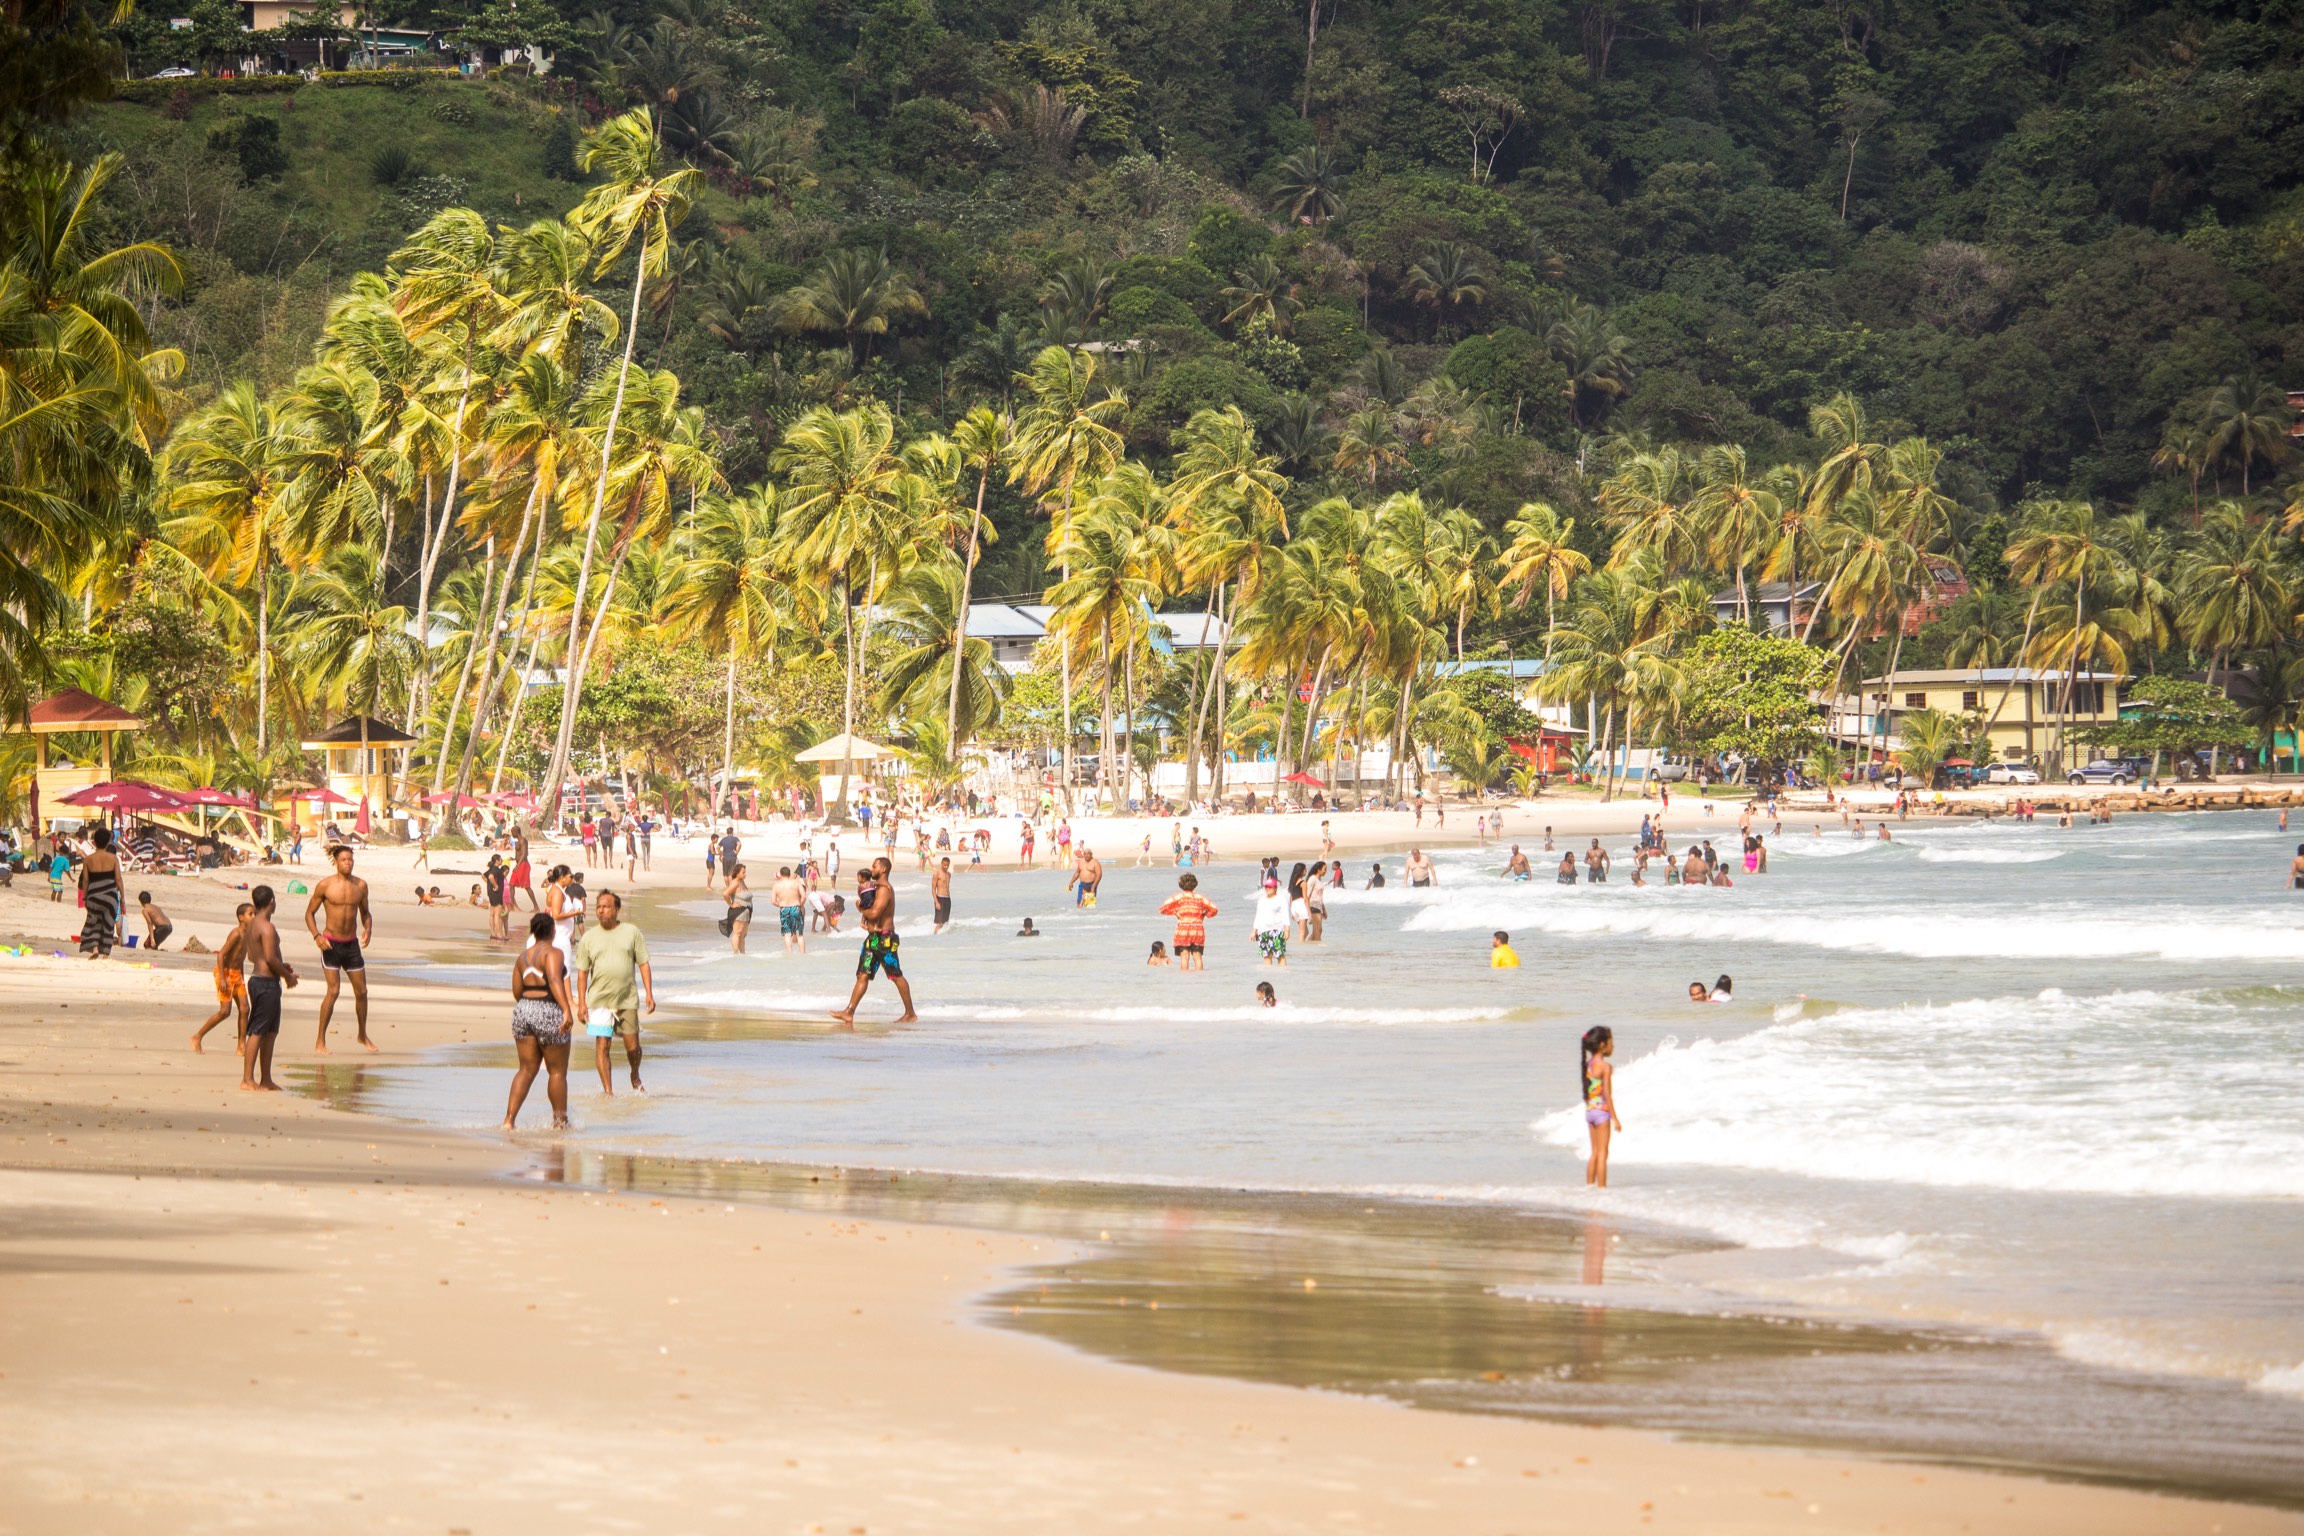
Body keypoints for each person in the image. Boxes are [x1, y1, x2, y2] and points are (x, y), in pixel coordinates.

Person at [573, 890, 653, 1095]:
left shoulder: (632, 932)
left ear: (617, 909)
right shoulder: (588, 938)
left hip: (627, 998)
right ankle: (608, 1091)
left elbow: (643, 963)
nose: (601, 910)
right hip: (599, 1000)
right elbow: (582, 974)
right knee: (602, 1045)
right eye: (599, 907)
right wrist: (581, 1004)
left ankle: (634, 1074)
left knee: (633, 1047)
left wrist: (649, 994)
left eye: (606, 906)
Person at [505, 911, 576, 1130]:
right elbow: (554, 979)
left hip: (523, 1010)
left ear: (533, 932)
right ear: (553, 931)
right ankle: (560, 1123)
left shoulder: (522, 957)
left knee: (526, 1069)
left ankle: (508, 1121)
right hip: (548, 1010)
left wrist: (529, 1007)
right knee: (557, 1072)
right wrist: (566, 1009)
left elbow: (517, 991)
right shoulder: (553, 953)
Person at [303, 845, 376, 1054]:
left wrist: (368, 929)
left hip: (351, 945)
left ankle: (362, 1035)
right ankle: (320, 1040)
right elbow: (309, 913)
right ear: (336, 862)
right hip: (331, 944)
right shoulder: (325, 885)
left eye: (350, 859)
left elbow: (365, 913)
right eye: (344, 860)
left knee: (362, 992)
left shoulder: (361, 886)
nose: (348, 863)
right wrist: (317, 936)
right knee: (333, 991)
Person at [832, 858, 917, 1027]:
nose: (871, 869)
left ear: (883, 869)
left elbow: (874, 913)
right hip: (873, 939)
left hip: (885, 939)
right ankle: (849, 1012)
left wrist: (860, 908)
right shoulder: (876, 888)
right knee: (862, 974)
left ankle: (910, 1013)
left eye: (874, 866)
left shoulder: (884, 889)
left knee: (895, 975)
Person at [241, 886, 298, 1093]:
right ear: (272, 901)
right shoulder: (266, 927)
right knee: (257, 1031)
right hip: (265, 983)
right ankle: (247, 1079)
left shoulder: (252, 925)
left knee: (271, 1032)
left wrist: (281, 968)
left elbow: (252, 956)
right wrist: (287, 976)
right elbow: (270, 957)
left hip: (264, 980)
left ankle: (266, 1079)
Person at [192, 903, 253, 1053]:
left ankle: (241, 1045)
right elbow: (221, 955)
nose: (254, 917)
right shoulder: (236, 934)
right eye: (251, 914)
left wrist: (242, 978)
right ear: (241, 918)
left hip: (237, 975)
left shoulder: (249, 935)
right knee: (225, 1011)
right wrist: (222, 978)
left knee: (245, 1009)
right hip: (225, 973)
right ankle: (198, 1036)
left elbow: (240, 959)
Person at [1581, 1025, 1621, 1188]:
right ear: (1603, 1045)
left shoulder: (1588, 1064)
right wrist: (1615, 1118)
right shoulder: (1605, 1067)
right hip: (1602, 1113)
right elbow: (1607, 1095)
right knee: (1603, 1153)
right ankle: (1602, 1190)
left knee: (1595, 1153)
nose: (1613, 1047)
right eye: (1611, 1043)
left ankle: (1589, 1187)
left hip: (1590, 1112)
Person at [77, 826, 121, 958]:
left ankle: (95, 948)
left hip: (94, 895)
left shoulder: (88, 860)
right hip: (110, 896)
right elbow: (118, 879)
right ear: (108, 842)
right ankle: (105, 953)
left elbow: (85, 880)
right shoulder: (113, 859)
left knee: (93, 922)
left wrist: (85, 897)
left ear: (94, 842)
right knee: (108, 924)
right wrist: (122, 898)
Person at [1160, 873, 1218, 971]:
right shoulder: (1200, 898)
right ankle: (1199, 977)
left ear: (1181, 884)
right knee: (1197, 956)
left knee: (1184, 957)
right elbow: (1214, 909)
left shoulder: (1178, 897)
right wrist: (1204, 915)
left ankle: (1184, 978)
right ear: (1195, 884)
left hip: (1183, 928)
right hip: (1197, 929)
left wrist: (1175, 913)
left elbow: (1163, 908)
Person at [1251, 876, 1290, 967]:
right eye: (1266, 887)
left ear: (1275, 888)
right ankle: (1268, 973)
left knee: (1279, 955)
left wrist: (1287, 930)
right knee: (1266, 956)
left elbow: (1285, 915)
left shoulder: (1281, 899)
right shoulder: (1261, 900)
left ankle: (1283, 972)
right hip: (1263, 931)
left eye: (1270, 887)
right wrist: (1254, 931)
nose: (1267, 889)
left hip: (1277, 930)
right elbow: (1258, 916)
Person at [770, 866, 807, 954]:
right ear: (789, 874)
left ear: (781, 874)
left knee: (787, 934)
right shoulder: (796, 883)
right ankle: (802, 954)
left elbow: (773, 901)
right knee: (799, 934)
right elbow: (804, 896)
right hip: (796, 907)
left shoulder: (776, 885)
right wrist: (800, 905)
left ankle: (790, 954)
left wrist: (781, 905)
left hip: (784, 908)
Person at [722, 862, 753, 954]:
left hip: (746, 912)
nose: (745, 874)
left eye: (745, 872)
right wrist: (731, 905)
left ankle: (742, 953)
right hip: (739, 912)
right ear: (737, 873)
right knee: (737, 933)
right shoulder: (735, 882)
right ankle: (735, 953)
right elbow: (725, 894)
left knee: (743, 935)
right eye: (743, 872)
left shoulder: (742, 881)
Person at [509, 824, 535, 911]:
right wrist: (514, 859)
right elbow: (519, 853)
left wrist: (517, 865)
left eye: (512, 832)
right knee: (511, 885)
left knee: (526, 886)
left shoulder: (523, 840)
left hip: (523, 865)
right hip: (520, 864)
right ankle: (511, 906)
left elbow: (524, 854)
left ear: (516, 832)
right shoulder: (518, 841)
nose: (511, 834)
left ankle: (536, 907)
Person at [1304, 859, 1328, 941]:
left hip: (1318, 907)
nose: (1326, 871)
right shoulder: (1312, 879)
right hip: (1313, 906)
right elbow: (1307, 895)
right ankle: (1318, 947)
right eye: (1324, 869)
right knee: (1319, 930)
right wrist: (1308, 912)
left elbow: (1320, 897)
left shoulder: (1318, 880)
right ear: (1318, 869)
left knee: (1316, 932)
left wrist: (1324, 910)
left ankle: (1307, 946)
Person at [932, 856, 953, 933]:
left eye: (947, 865)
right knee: (939, 923)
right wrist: (936, 902)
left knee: (945, 922)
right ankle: (934, 936)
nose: (946, 867)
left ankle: (941, 938)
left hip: (947, 899)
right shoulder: (937, 873)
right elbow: (933, 889)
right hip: (940, 899)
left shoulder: (949, 874)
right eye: (944, 865)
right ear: (941, 863)